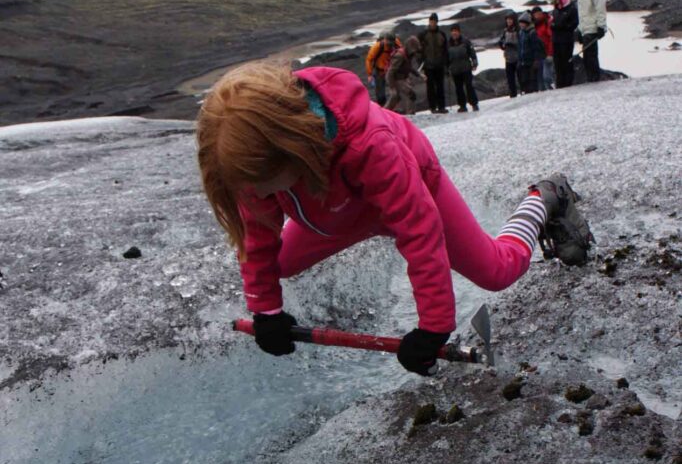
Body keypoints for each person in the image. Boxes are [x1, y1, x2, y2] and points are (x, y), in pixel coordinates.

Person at [196, 63, 594, 376]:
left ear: (292, 151)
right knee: (277, 263)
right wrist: (267, 312)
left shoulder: (370, 145)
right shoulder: (254, 169)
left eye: (264, 185)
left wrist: (432, 327)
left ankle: (544, 198)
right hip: (337, 214)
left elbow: (419, 232)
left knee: (497, 271)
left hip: (413, 186)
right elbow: (256, 239)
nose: (259, 195)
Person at [571, 0, 607, 83]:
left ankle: (595, 79)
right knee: (587, 57)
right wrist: (580, 30)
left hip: (593, 28)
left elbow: (600, 8)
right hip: (585, 29)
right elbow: (582, 14)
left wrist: (601, 26)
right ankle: (592, 79)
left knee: (591, 56)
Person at [418, 13, 449, 114]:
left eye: (434, 21)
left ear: (437, 22)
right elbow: (419, 51)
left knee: (440, 86)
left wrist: (446, 64)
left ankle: (442, 106)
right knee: (430, 87)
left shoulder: (442, 34)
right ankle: (432, 107)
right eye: (431, 21)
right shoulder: (423, 35)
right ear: (429, 22)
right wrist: (421, 64)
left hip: (439, 65)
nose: (433, 23)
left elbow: (445, 50)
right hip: (428, 65)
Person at [385, 36, 424, 115]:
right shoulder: (400, 56)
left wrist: (419, 75)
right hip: (396, 79)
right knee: (403, 95)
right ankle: (384, 113)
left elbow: (409, 67)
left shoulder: (408, 55)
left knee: (398, 98)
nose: (415, 53)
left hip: (403, 79)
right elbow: (390, 72)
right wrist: (392, 88)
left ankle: (410, 114)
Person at [550, 0, 579, 89]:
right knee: (557, 64)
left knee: (566, 63)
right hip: (556, 40)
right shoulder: (555, 10)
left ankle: (568, 84)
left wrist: (559, 26)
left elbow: (574, 24)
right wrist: (553, 25)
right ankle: (560, 85)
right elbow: (553, 24)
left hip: (566, 41)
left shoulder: (572, 9)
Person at [447, 24, 479, 113]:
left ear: (459, 32)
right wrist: (446, 69)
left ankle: (474, 104)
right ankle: (462, 106)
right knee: (458, 88)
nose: (454, 33)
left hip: (466, 68)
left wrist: (475, 62)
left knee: (469, 86)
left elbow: (472, 52)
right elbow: (445, 58)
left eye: (456, 31)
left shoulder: (466, 41)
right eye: (453, 31)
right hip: (455, 70)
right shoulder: (448, 44)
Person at [365, 33, 401, 107]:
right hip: (380, 71)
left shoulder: (396, 43)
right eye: (388, 44)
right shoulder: (377, 47)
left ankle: (391, 108)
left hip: (392, 70)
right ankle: (382, 108)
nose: (389, 46)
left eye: (391, 44)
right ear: (384, 40)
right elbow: (369, 60)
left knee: (397, 91)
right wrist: (369, 74)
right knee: (380, 95)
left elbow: (402, 51)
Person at [517, 13, 545, 94]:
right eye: (520, 22)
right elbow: (519, 47)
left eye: (523, 22)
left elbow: (536, 48)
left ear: (527, 23)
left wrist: (536, 60)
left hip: (531, 61)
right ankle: (527, 93)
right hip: (523, 61)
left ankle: (533, 94)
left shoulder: (532, 33)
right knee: (524, 80)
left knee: (532, 80)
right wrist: (519, 59)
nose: (521, 24)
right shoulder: (521, 33)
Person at [531, 7, 554, 91]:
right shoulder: (535, 25)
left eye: (539, 14)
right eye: (535, 14)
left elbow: (551, 38)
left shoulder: (546, 22)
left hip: (548, 53)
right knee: (543, 78)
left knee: (547, 77)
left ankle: (552, 92)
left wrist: (550, 53)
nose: (537, 16)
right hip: (541, 55)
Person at [498, 13, 519, 98]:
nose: (509, 21)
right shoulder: (505, 30)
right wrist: (501, 45)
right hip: (508, 57)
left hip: (517, 57)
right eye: (507, 19)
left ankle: (523, 91)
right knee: (510, 78)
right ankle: (513, 94)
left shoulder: (517, 30)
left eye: (510, 19)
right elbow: (502, 40)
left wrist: (512, 44)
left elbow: (520, 42)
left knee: (520, 75)